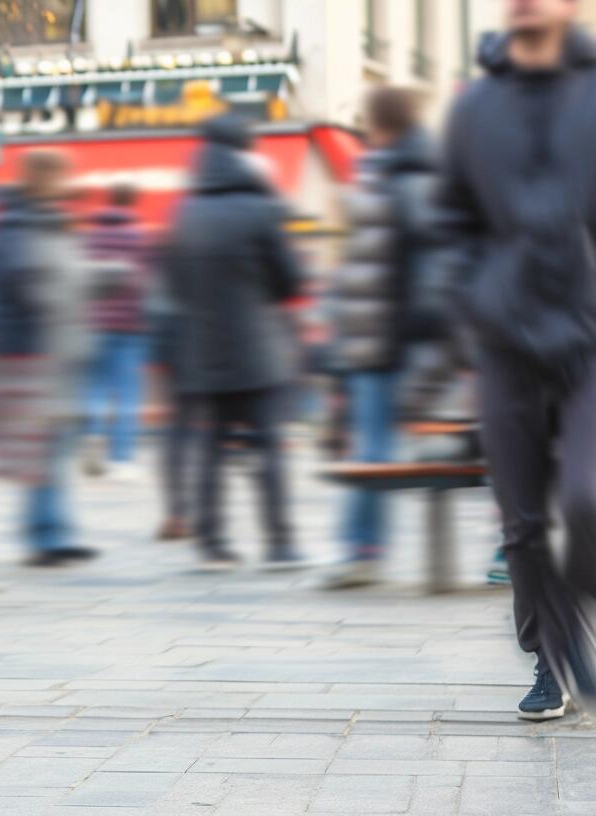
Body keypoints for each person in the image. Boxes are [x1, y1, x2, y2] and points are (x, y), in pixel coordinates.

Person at [439, 0, 596, 721]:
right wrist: (474, 295)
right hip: (505, 340)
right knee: (523, 523)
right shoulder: (474, 111)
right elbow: (451, 220)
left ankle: (572, 624)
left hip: (590, 337)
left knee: (585, 499)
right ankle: (551, 660)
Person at [164, 114, 305, 571]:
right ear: (246, 153)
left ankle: (211, 540)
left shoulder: (185, 210)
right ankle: (280, 542)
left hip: (203, 349)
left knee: (212, 446)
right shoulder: (259, 207)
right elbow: (290, 280)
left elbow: (175, 282)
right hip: (254, 348)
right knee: (267, 446)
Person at [322, 87, 441, 590]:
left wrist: (424, 338)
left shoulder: (407, 178)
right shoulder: (386, 172)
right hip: (376, 338)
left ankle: (362, 551)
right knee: (370, 447)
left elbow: (429, 265)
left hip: (393, 340)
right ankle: (362, 548)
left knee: (373, 449)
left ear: (379, 124)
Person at [0, 150, 100, 567]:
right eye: (59, 176)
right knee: (42, 447)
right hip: (32, 349)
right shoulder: (17, 223)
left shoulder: (51, 220)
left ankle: (56, 529)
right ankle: (42, 535)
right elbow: (22, 280)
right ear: (40, 178)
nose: (66, 183)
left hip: (61, 346)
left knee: (58, 443)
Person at [80, 182, 155, 480]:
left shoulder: (89, 237)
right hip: (130, 324)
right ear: (133, 204)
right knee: (127, 393)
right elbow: (145, 281)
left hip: (94, 321)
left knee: (95, 387)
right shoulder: (139, 238)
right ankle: (121, 459)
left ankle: (92, 438)